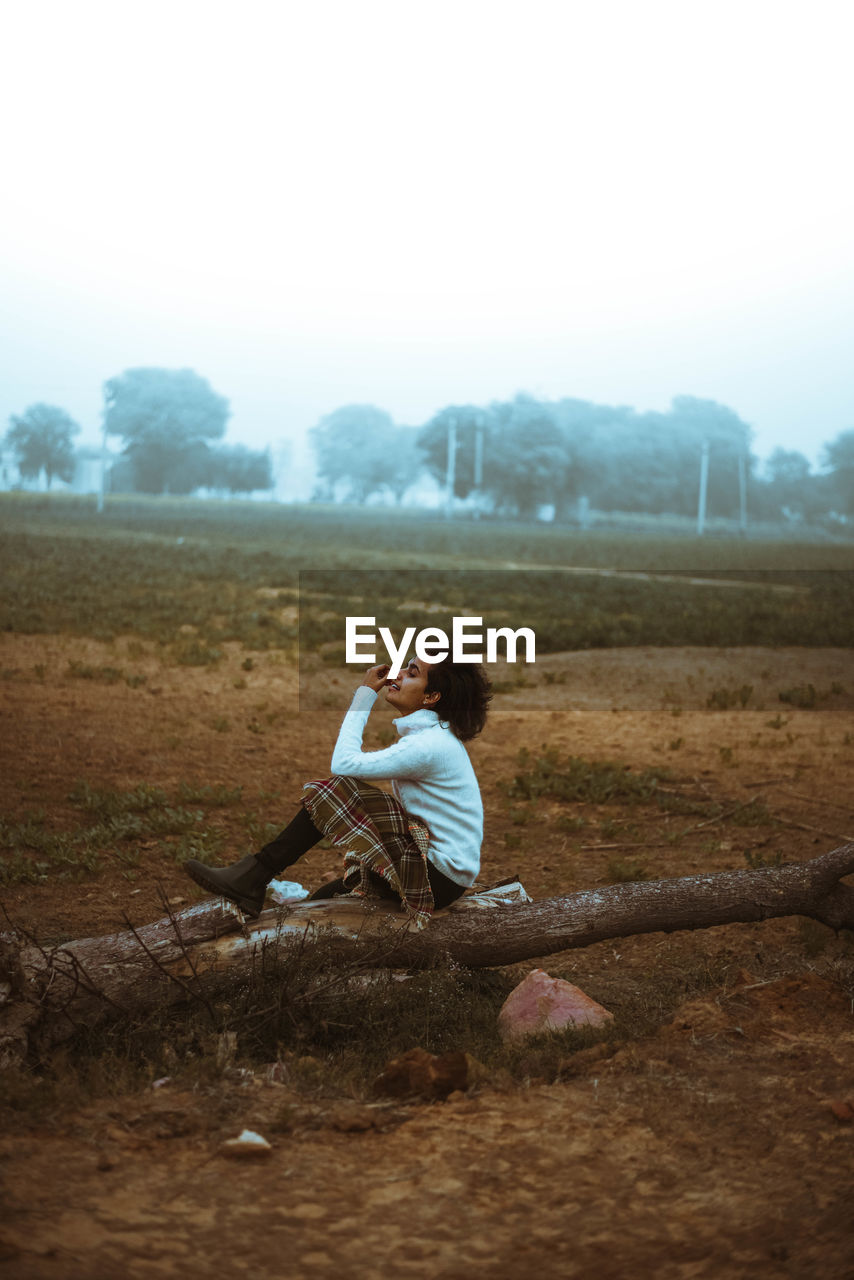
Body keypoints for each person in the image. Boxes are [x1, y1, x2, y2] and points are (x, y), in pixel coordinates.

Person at [183, 656, 492, 928]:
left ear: (431, 696)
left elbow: (343, 764)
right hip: (442, 873)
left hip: (435, 875)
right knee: (324, 899)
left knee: (340, 790)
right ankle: (253, 883)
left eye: (411, 673)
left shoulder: (429, 746)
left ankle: (254, 875)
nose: (397, 675)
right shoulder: (434, 736)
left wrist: (365, 693)